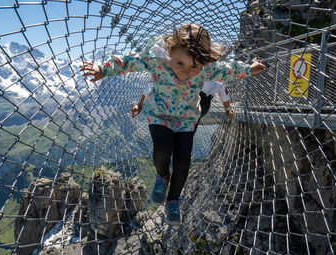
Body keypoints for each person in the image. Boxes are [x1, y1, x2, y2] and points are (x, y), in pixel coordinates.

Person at [80, 23, 265, 225]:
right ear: (169, 52)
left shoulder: (206, 68)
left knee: (183, 162)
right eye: (180, 64)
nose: (186, 72)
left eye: (194, 67)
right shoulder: (156, 60)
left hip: (187, 117)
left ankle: (173, 200)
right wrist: (102, 70)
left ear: (203, 63)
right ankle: (162, 177)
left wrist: (249, 69)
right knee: (162, 148)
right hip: (159, 113)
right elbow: (129, 61)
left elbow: (228, 70)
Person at [131, 80, 236, 128]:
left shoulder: (210, 83)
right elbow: (154, 82)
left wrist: (228, 110)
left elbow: (222, 88)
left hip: (200, 105)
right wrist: (140, 105)